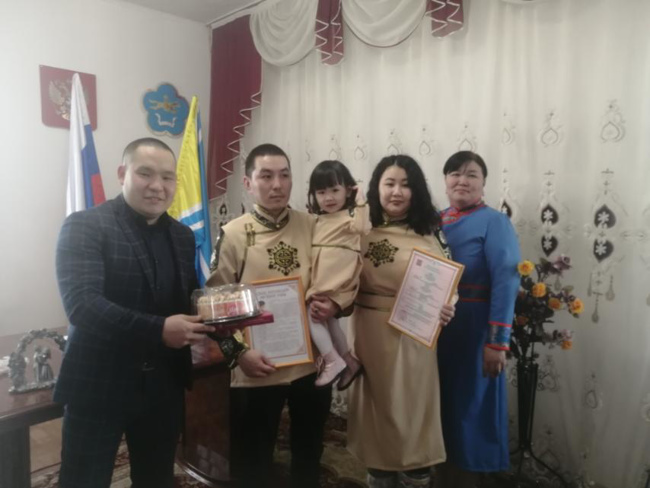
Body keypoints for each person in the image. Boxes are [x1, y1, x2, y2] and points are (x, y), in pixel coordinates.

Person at [55, 138, 213, 488]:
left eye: (168, 177)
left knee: (156, 479)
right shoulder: (85, 225)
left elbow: (188, 303)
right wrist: (159, 330)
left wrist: (231, 314)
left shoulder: (183, 236)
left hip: (163, 387)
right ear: (122, 174)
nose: (158, 186)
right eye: (146, 174)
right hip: (99, 385)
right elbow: (83, 305)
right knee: (83, 480)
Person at [207, 143, 342, 488]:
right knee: (252, 457)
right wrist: (239, 354)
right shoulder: (233, 234)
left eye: (284, 175)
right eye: (266, 176)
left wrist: (337, 305)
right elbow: (213, 307)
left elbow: (339, 279)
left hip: (311, 362)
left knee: (309, 450)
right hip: (257, 364)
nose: (277, 185)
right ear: (248, 183)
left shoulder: (314, 225)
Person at [347, 155, 456, 488]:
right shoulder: (359, 230)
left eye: (405, 185)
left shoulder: (430, 232)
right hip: (370, 335)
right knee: (378, 412)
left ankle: (416, 475)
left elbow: (449, 281)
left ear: (416, 191)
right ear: (376, 187)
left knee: (413, 411)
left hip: (414, 336)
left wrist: (449, 306)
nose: (397, 192)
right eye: (389, 183)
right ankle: (379, 476)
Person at [436, 151, 521, 488]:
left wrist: (497, 343)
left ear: (483, 183)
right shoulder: (434, 221)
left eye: (471, 174)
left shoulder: (494, 222)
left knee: (470, 408)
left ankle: (465, 479)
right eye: (455, 174)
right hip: (436, 329)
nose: (462, 180)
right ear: (445, 181)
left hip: (474, 331)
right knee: (438, 404)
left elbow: (506, 281)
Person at [305, 160, 368, 388]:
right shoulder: (316, 219)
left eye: (334, 190)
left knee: (311, 316)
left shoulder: (350, 217)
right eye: (321, 192)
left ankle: (332, 360)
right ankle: (349, 361)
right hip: (322, 274)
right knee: (329, 321)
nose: (328, 197)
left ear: (348, 190)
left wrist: (361, 200)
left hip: (333, 277)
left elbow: (362, 227)